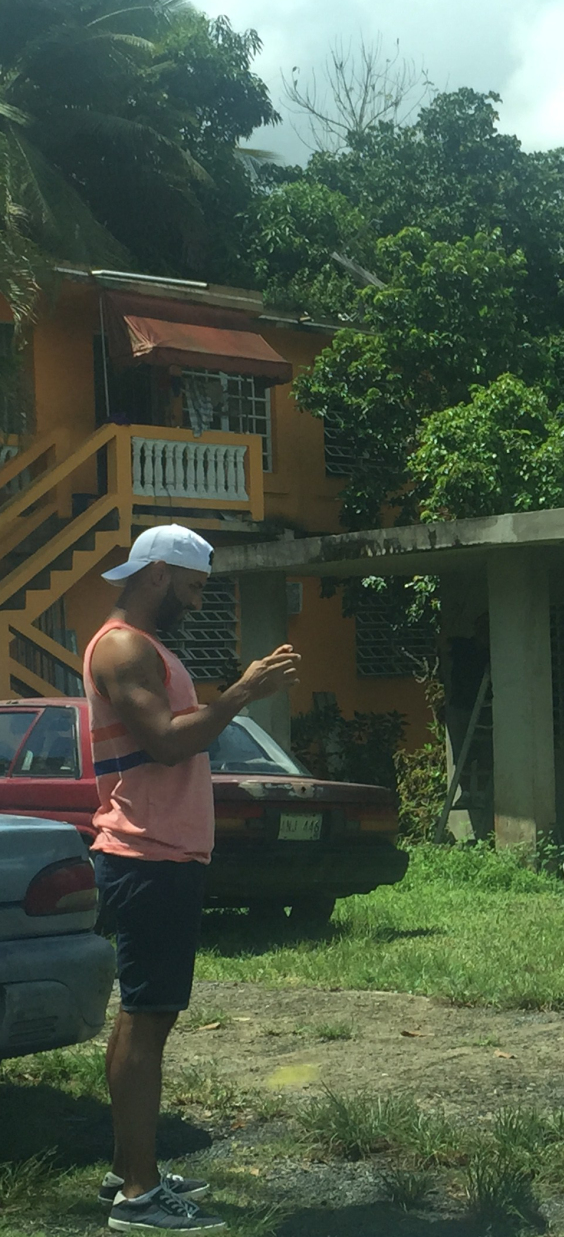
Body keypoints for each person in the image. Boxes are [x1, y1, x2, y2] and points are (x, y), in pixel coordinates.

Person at [82, 525, 300, 1232]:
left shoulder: (146, 646)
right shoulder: (123, 647)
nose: (199, 602)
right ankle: (139, 1194)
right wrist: (242, 692)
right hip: (147, 854)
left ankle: (129, 1166)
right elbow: (169, 742)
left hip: (161, 853)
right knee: (148, 1018)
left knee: (145, 1015)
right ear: (158, 574)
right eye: (195, 587)